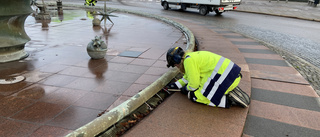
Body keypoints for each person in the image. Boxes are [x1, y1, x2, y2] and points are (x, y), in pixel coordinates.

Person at [165, 47, 250, 108]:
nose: (177, 68)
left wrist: (186, 89)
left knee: (194, 96)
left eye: (175, 66)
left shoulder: (188, 62)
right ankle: (224, 90)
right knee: (201, 84)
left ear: (177, 63)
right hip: (232, 75)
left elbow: (194, 85)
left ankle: (228, 100)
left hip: (225, 79)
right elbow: (188, 77)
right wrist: (176, 85)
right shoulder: (191, 56)